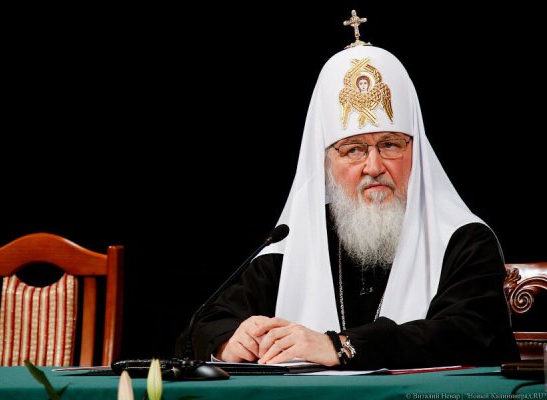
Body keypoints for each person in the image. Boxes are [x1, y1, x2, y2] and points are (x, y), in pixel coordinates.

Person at [176, 16, 520, 370]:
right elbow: (204, 325)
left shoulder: (463, 239)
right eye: (353, 149)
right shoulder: (298, 242)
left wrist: (340, 346)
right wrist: (231, 342)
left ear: (416, 152)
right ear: (327, 164)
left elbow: (468, 334)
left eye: (390, 144)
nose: (374, 166)